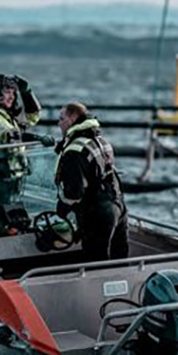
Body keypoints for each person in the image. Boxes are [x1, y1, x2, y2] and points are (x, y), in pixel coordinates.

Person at [0, 74, 53, 226]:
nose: (11, 96)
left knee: (8, 222)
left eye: (14, 92)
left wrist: (27, 93)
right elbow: (3, 135)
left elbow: (32, 117)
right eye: (7, 91)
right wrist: (36, 138)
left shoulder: (4, 115)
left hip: (7, 181)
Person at [55, 102, 129, 261]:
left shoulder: (74, 150)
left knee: (95, 262)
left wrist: (62, 208)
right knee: (120, 257)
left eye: (61, 119)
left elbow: (75, 191)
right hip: (119, 206)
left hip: (98, 213)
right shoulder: (101, 140)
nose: (58, 123)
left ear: (73, 118)